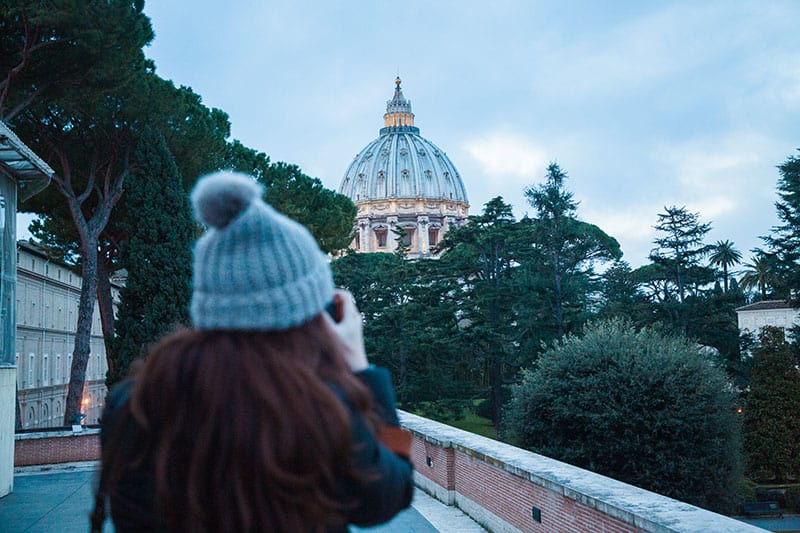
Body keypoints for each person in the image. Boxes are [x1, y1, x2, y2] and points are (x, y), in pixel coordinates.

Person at [92, 171, 414, 532]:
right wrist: (360, 367)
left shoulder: (131, 404)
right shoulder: (320, 414)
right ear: (312, 316)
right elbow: (392, 493)